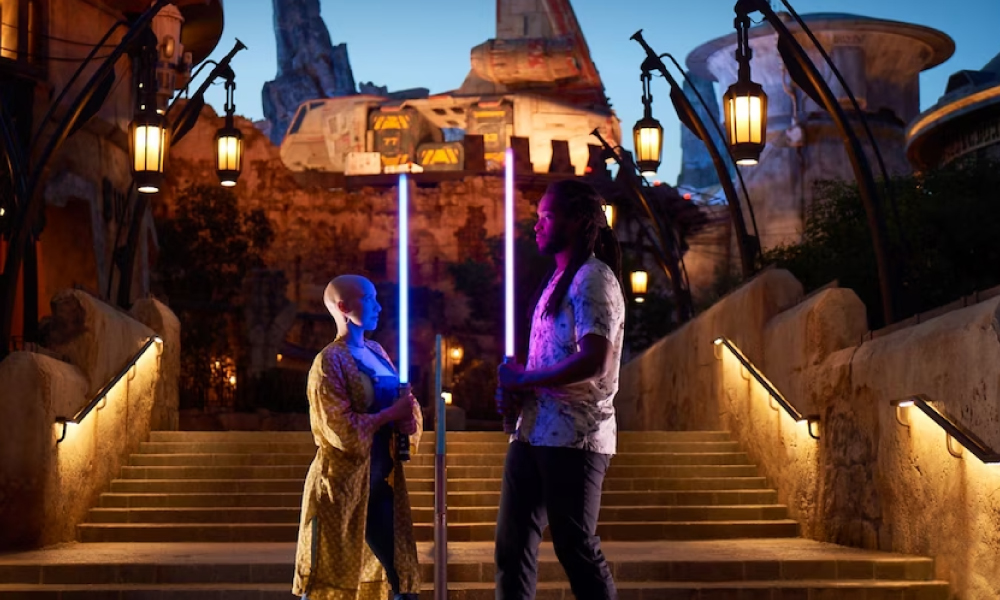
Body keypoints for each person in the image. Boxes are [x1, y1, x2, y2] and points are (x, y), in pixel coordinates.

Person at [495, 180, 626, 600]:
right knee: (512, 550)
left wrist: (526, 380)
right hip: (534, 432)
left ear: (578, 222)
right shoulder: (558, 279)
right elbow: (552, 357)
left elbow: (595, 360)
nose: (537, 226)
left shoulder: (593, 278)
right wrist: (517, 385)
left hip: (575, 438)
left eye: (547, 217)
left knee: (576, 550)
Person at [293, 275, 422, 600]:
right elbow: (336, 427)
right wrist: (389, 415)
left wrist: (408, 418)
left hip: (379, 483)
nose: (379, 306)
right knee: (332, 581)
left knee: (402, 576)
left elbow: (405, 404)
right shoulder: (328, 361)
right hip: (341, 488)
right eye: (369, 299)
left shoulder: (377, 352)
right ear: (343, 307)